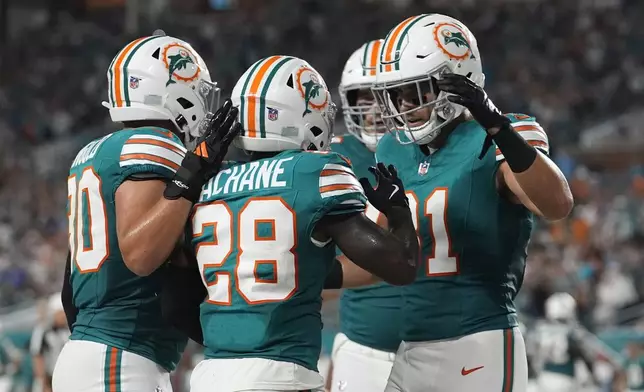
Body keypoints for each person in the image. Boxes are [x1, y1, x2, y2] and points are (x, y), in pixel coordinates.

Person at [188, 55, 419, 392]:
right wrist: (398, 211)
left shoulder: (208, 184)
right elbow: (401, 267)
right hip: (281, 373)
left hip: (211, 374)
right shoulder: (315, 174)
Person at [371, 13, 574, 392]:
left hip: (478, 341)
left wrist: (497, 127)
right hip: (412, 343)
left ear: (455, 83)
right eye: (396, 93)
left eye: (414, 91)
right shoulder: (391, 150)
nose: (402, 104)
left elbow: (557, 204)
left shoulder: (503, 133)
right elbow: (375, 258)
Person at [52, 31, 240, 392]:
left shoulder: (93, 153)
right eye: (199, 91)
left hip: (100, 353)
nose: (204, 102)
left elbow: (68, 293)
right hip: (118, 358)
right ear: (170, 92)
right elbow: (140, 255)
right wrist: (193, 172)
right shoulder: (152, 145)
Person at [327, 39, 402, 392]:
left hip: (437, 340)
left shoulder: (434, 152)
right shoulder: (333, 159)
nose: (373, 110)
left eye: (381, 95)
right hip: (364, 344)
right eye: (362, 98)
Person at [534, 293, 598, 392]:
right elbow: (584, 354)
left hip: (544, 376)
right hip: (565, 378)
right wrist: (593, 374)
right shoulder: (572, 332)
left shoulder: (540, 329)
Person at [30, 294, 70, 392]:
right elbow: (37, 356)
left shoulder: (68, 329)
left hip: (68, 374)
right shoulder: (42, 331)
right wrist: (42, 381)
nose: (64, 316)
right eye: (61, 313)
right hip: (50, 377)